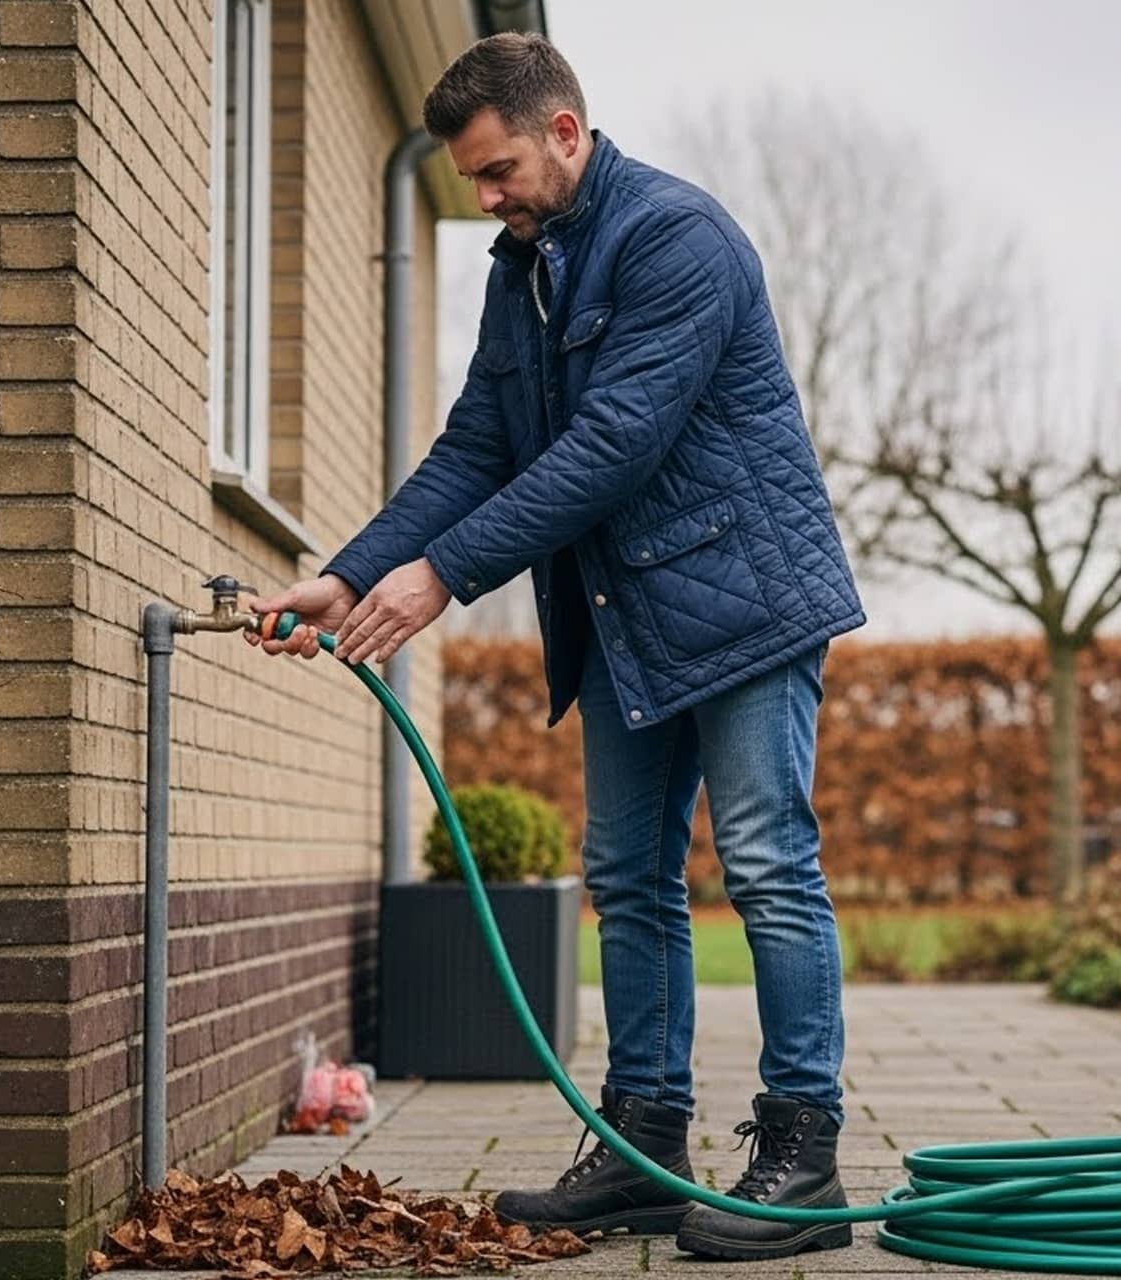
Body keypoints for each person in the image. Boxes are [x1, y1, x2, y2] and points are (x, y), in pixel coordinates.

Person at [243, 32, 865, 1263]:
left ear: (566, 133)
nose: (485, 199)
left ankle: (805, 1150)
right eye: (472, 182)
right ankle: (645, 1144)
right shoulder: (519, 267)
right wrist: (352, 570)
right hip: (632, 621)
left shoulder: (680, 240)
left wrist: (445, 575)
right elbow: (481, 441)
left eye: (499, 171)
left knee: (766, 863)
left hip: (744, 603)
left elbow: (612, 444)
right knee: (627, 876)